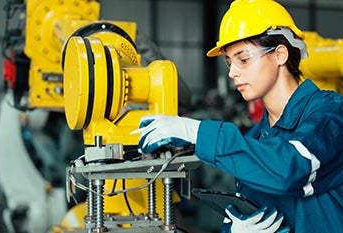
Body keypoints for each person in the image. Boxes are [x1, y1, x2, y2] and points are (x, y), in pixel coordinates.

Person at [131, 0, 343, 232]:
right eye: (229, 62)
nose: (232, 72)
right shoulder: (257, 140)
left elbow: (292, 168)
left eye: (243, 59)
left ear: (280, 55)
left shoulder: (330, 114)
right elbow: (250, 209)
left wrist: (197, 132)